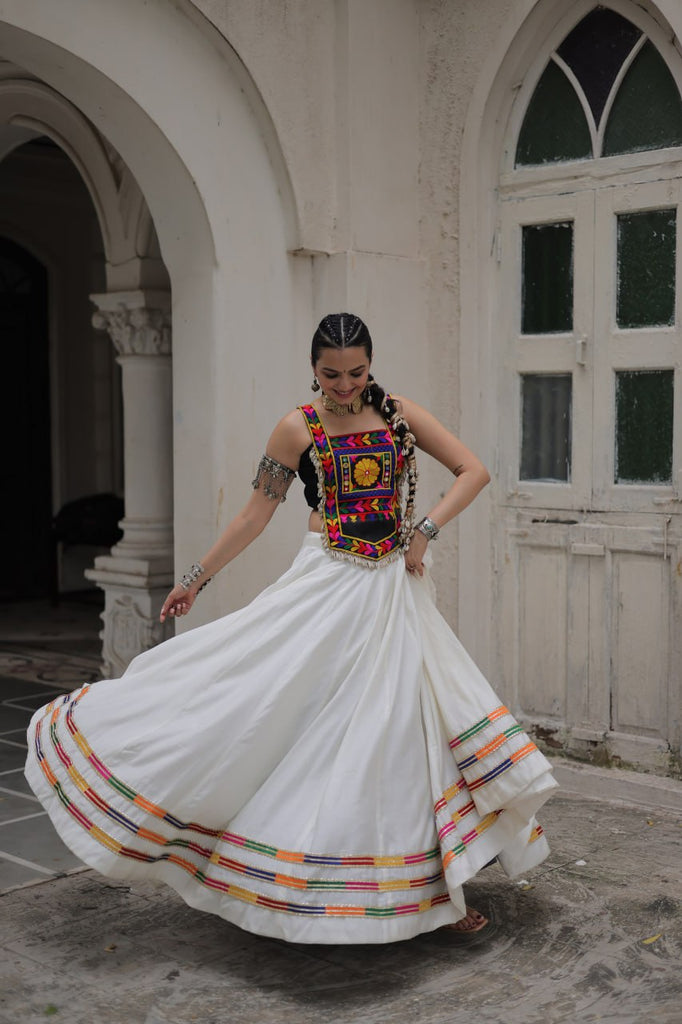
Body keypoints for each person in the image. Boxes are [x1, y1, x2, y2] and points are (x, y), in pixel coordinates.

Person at [25, 313, 557, 946]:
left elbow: (473, 470)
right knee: (271, 708)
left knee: (403, 734)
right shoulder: (294, 429)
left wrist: (425, 531)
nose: (344, 384)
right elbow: (254, 515)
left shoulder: (399, 414)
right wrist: (197, 577)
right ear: (313, 368)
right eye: (331, 374)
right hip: (325, 585)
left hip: (391, 590)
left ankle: (438, 891)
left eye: (356, 372)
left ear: (370, 363)